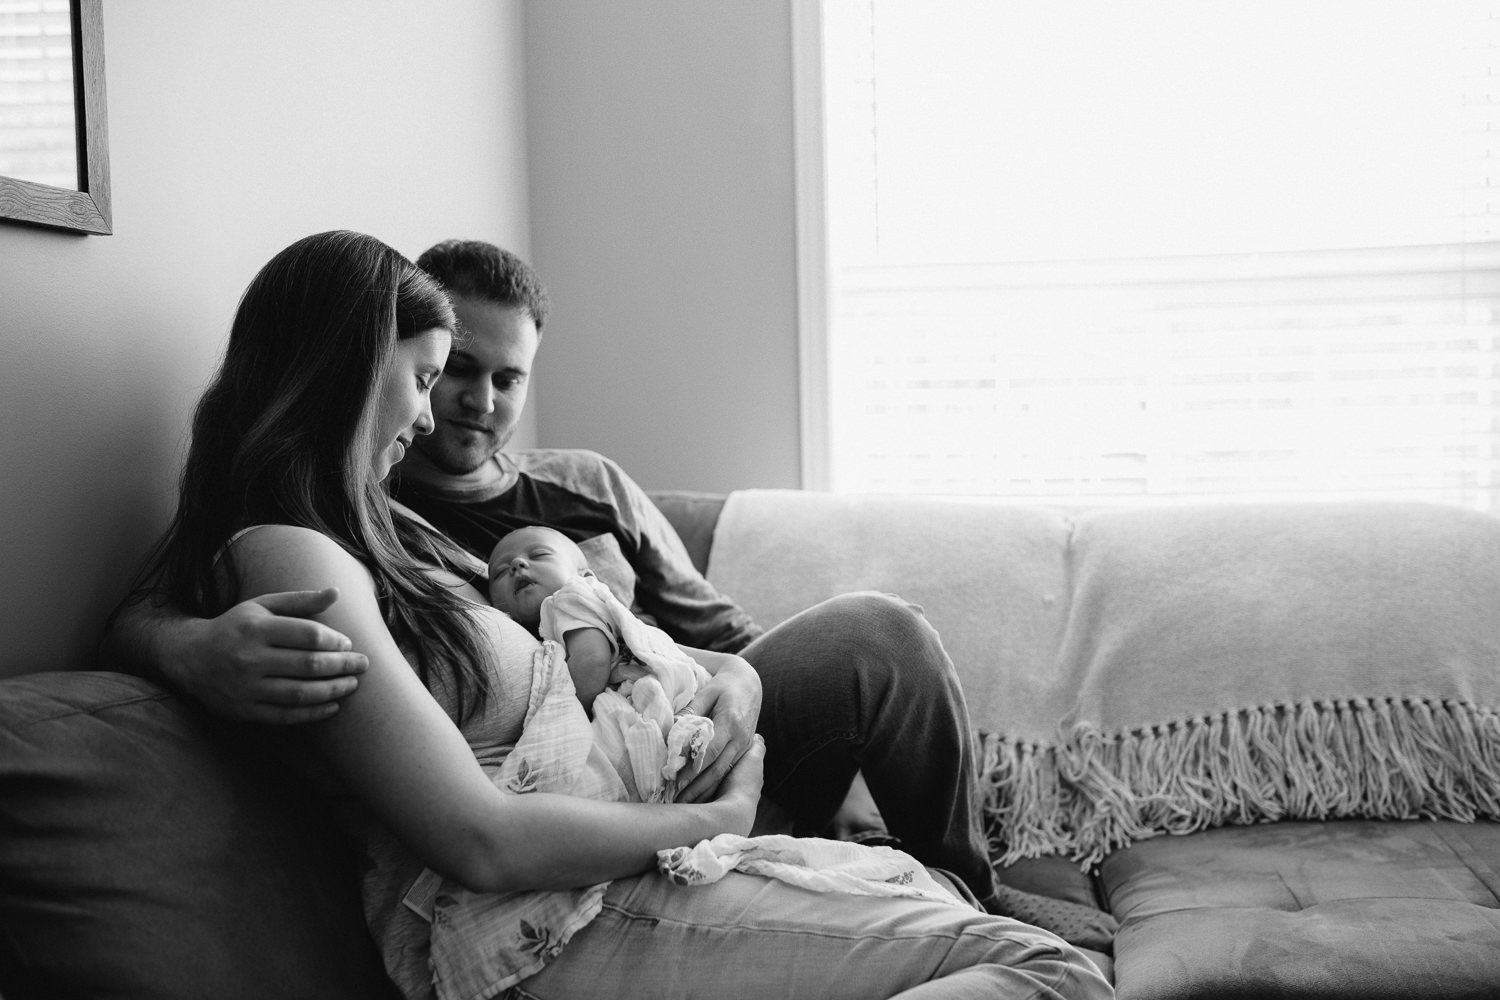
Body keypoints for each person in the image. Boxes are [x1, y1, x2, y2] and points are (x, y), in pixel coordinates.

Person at [114, 229, 1112, 1000]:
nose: (450, 408)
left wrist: (730, 679)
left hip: (646, 800)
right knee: (1055, 975)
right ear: (348, 368)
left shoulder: (430, 535)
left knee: (889, 672)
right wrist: (179, 643)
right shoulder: (310, 547)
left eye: (503, 377)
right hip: (567, 902)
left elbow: (713, 636)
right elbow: (479, 838)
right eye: (433, 374)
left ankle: (949, 877)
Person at [488, 523, 716, 801]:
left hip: (640, 694)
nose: (517, 564)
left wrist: (558, 716)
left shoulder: (568, 598)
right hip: (678, 689)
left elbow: (592, 660)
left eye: (539, 555)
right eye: (500, 572)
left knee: (571, 775)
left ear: (583, 575)